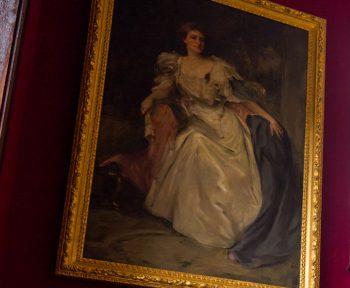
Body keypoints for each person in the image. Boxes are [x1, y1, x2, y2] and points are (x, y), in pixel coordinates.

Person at [106, 23, 300, 267]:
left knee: (218, 158)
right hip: (197, 121)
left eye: (202, 39)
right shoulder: (176, 66)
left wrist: (269, 118)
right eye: (194, 38)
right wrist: (149, 98)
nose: (199, 42)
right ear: (185, 40)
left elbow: (236, 99)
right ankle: (196, 220)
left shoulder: (216, 67)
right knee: (193, 141)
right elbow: (163, 90)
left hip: (223, 123)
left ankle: (226, 227)